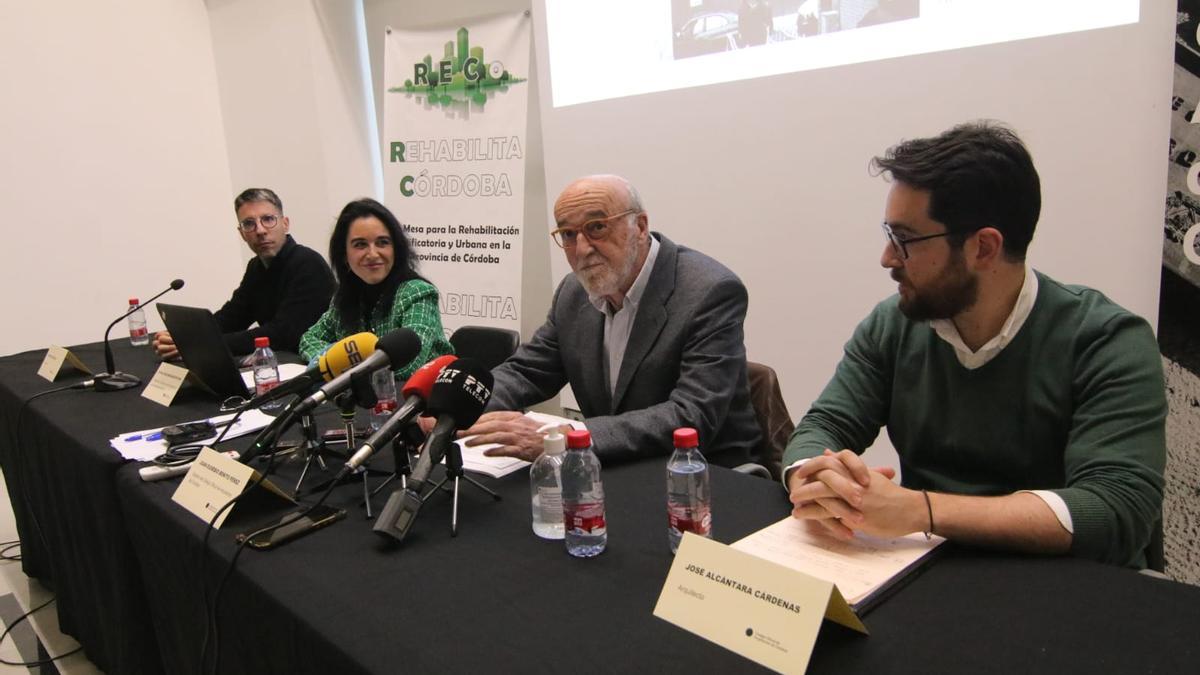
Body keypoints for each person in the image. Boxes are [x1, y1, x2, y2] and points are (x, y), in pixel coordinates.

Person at [784, 122, 1166, 568]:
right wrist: (815, 477)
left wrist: (919, 510)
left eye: (904, 239)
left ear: (983, 248)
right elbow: (823, 425)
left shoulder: (1107, 341)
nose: (887, 258)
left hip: (1068, 592)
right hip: (931, 572)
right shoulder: (895, 324)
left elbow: (1113, 511)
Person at [460, 175, 761, 466]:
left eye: (597, 227)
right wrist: (457, 407)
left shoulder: (709, 291)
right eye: (567, 234)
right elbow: (527, 372)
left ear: (640, 227)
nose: (582, 249)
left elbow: (693, 414)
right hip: (615, 469)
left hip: (707, 474)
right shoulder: (573, 292)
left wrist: (571, 436)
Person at [152, 188, 334, 359]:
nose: (260, 230)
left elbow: (283, 334)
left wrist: (202, 345)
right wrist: (186, 335)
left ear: (285, 224)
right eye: (249, 223)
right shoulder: (256, 267)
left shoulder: (308, 264)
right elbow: (232, 317)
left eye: (268, 219)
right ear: (242, 233)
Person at [299, 198, 452, 379]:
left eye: (382, 242)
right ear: (344, 254)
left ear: (396, 248)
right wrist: (330, 360)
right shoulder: (344, 298)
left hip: (418, 400)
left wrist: (337, 367)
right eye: (360, 244)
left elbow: (407, 366)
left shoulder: (418, 294)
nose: (372, 254)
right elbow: (308, 339)